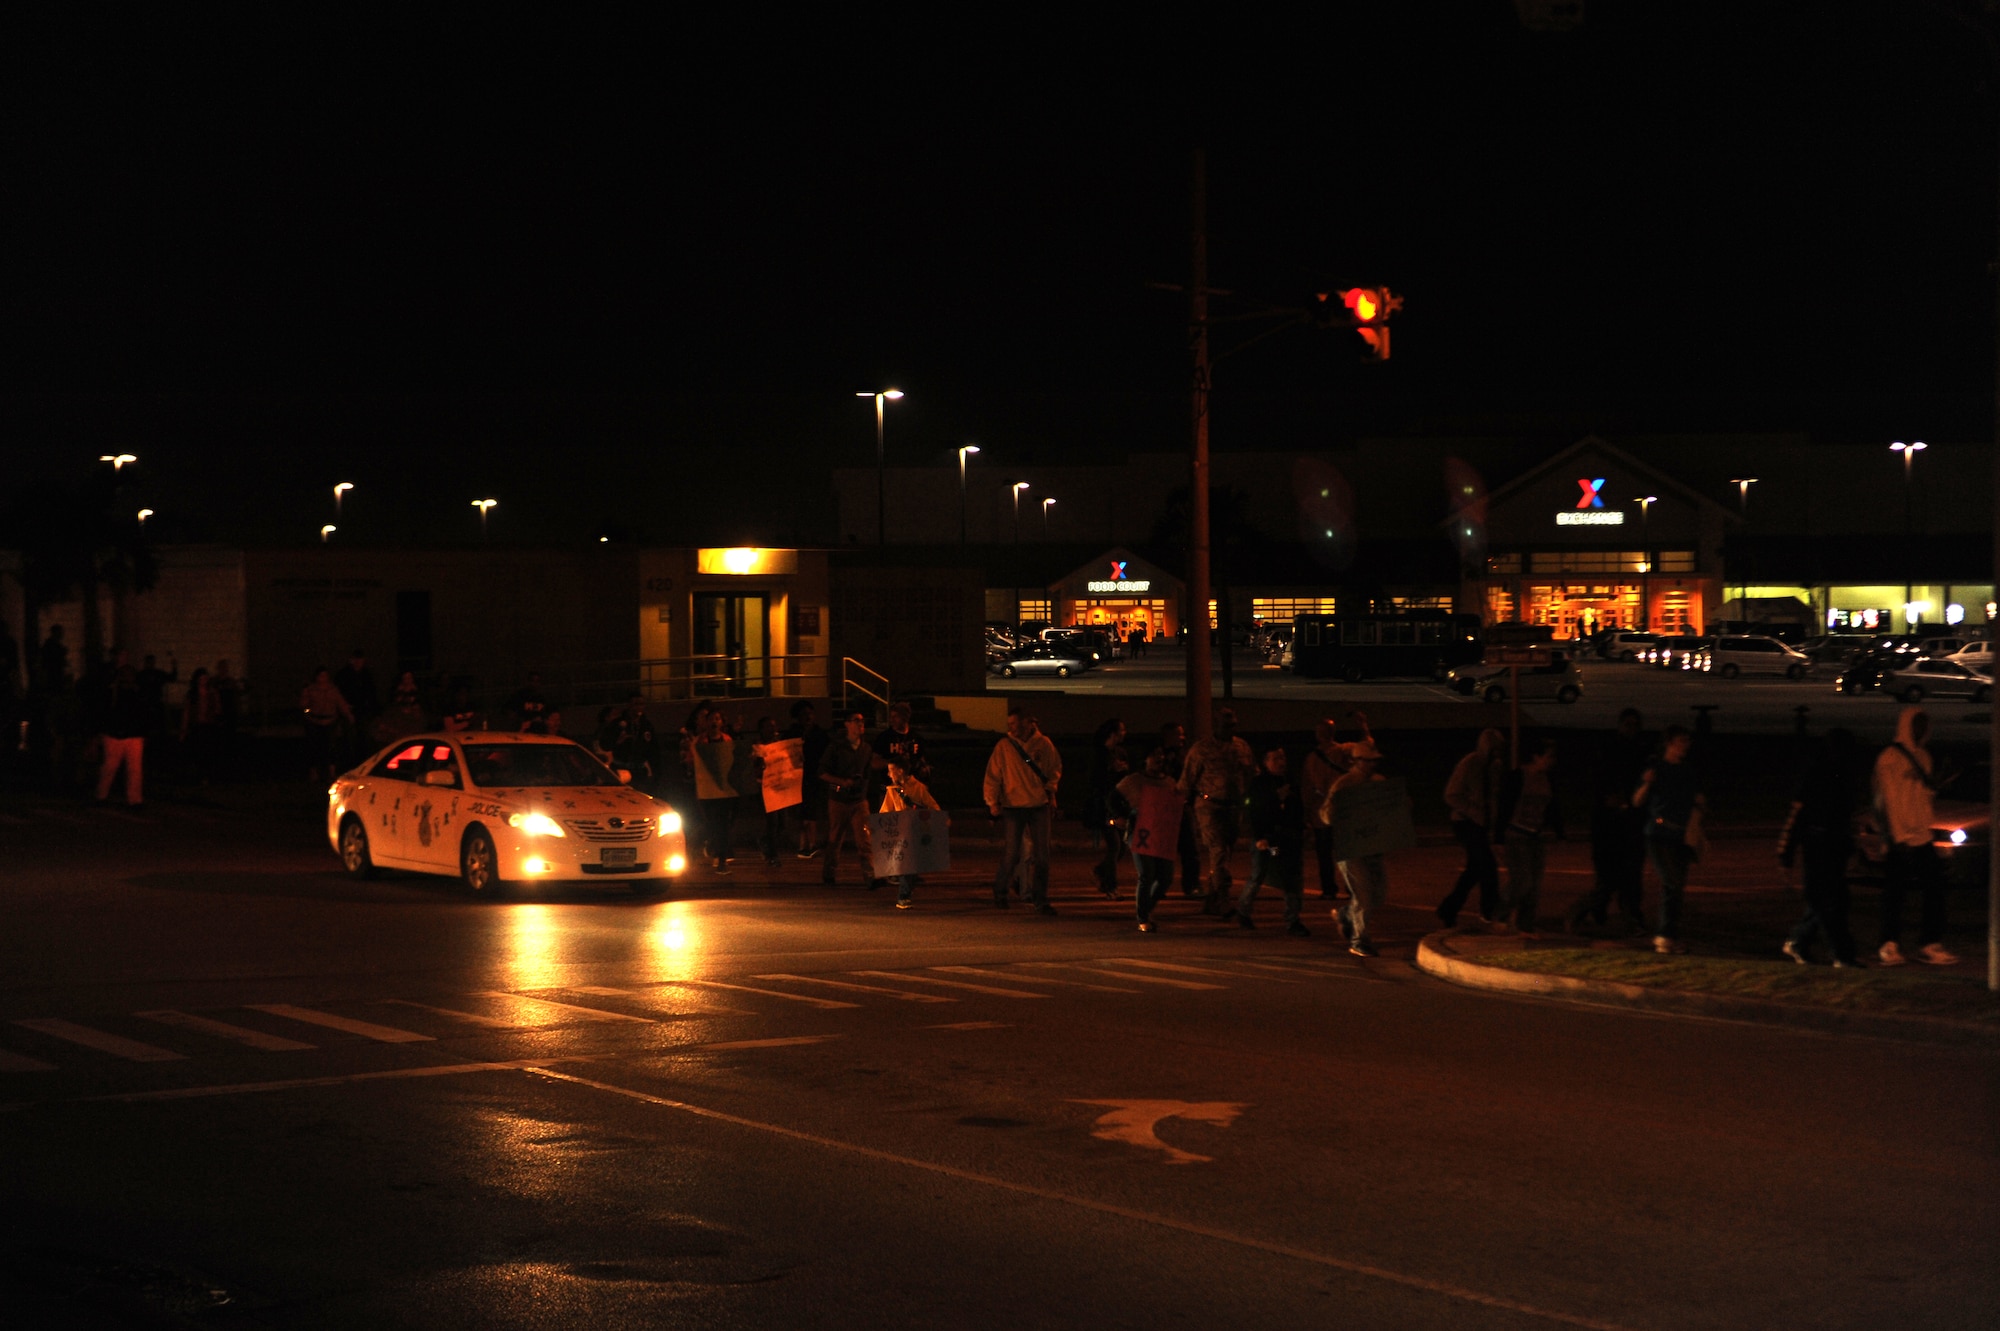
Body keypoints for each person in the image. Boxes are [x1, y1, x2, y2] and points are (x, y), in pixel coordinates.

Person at [1871, 706, 1958, 966]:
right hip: (1901, 839)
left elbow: (1922, 798)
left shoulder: (1924, 757)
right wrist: (1896, 837)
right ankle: (1889, 945)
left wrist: (1935, 789)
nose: (1922, 730)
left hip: (1922, 835)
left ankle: (1929, 944)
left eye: (1925, 724)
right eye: (1917, 724)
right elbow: (1888, 800)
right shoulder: (1890, 758)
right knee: (1894, 895)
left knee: (1934, 890)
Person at [1779, 728, 1863, 967]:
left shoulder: (1835, 774)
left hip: (1828, 846)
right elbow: (1798, 816)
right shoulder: (1822, 774)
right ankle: (1841, 954)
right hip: (1819, 846)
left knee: (1829, 901)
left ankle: (1800, 941)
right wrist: (1786, 853)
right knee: (1829, 902)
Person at [1567, 708, 1648, 935]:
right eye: (1628, 724)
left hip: (1631, 822)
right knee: (1607, 877)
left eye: (1635, 725)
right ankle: (1590, 911)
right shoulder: (1608, 751)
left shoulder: (1641, 751)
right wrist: (1609, 799)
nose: (1631, 729)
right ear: (1620, 725)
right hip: (1607, 824)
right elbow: (1598, 780)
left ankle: (1631, 916)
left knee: (1631, 876)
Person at [1633, 724, 1705, 954]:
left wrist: (1700, 806)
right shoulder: (1656, 768)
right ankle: (1664, 935)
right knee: (1671, 882)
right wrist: (1647, 783)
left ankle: (1670, 935)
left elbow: (1697, 798)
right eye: (1681, 741)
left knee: (1677, 887)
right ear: (1669, 743)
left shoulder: (1688, 770)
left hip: (1682, 834)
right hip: (1659, 834)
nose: (1685, 746)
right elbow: (1637, 801)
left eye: (1687, 741)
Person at [983, 707, 1062, 915]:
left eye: (1015, 724)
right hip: (1013, 806)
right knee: (1012, 853)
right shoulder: (1005, 746)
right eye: (1009, 725)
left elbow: (1054, 770)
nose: (1012, 729)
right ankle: (1000, 891)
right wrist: (992, 802)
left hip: (1038, 805)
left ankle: (1040, 898)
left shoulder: (1043, 744)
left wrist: (1051, 794)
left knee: (1043, 855)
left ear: (1027, 723)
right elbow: (993, 774)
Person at [1228, 744, 1310, 936]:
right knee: (1260, 873)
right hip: (1268, 841)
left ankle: (1293, 919)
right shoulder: (1260, 784)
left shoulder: (1290, 782)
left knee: (1292, 876)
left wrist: (1301, 828)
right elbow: (1255, 812)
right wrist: (1260, 837)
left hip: (1287, 839)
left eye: (1282, 758)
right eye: (1275, 758)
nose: (1281, 762)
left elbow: (1297, 809)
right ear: (1265, 763)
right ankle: (1243, 910)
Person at [1179, 706, 1254, 913]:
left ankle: (1211, 897)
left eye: (1233, 724)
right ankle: (1222, 898)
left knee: (1225, 853)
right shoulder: (1201, 749)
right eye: (1226, 724)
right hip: (1209, 806)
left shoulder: (1242, 747)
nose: (1231, 728)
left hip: (1233, 807)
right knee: (1218, 851)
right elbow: (1187, 780)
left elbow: (1249, 776)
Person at [1494, 738, 1564, 935]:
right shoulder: (1517, 777)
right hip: (1515, 834)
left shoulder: (1548, 779)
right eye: (1548, 756)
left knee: (1535, 883)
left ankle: (1525, 923)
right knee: (1521, 880)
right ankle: (1500, 914)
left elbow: (1552, 807)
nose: (1552, 761)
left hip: (1536, 836)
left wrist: (1559, 832)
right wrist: (1498, 839)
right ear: (1536, 756)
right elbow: (1504, 807)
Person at [1438, 728, 1506, 927]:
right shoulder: (1470, 764)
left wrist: (1492, 821)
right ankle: (1489, 911)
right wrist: (1472, 810)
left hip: (1482, 823)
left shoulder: (1495, 767)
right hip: (1465, 821)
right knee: (1487, 866)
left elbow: (1494, 795)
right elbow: (1451, 794)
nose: (1497, 754)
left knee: (1475, 868)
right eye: (1494, 750)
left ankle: (1448, 909)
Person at [1327, 738, 1389, 956]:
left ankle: (1345, 915)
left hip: (1372, 846)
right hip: (1351, 848)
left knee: (1377, 895)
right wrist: (1339, 808)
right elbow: (1326, 815)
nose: (1372, 765)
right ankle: (1358, 940)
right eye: (1368, 761)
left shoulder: (1379, 782)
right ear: (1356, 761)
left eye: (1374, 761)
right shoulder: (1344, 784)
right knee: (1363, 896)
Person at [1114, 750, 1181, 932]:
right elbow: (1113, 797)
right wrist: (1119, 816)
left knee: (1166, 877)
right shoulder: (1133, 781)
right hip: (1140, 831)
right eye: (1154, 755)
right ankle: (1142, 918)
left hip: (1162, 833)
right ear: (1146, 759)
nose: (1159, 759)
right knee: (1146, 873)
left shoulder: (1169, 782)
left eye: (1162, 756)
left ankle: (1147, 907)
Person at [1301, 715, 1366, 900]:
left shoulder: (1312, 758)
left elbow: (1307, 788)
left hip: (1322, 812)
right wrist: (1364, 728)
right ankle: (1350, 887)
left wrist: (1307, 813)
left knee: (1324, 854)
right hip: (1342, 811)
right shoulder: (1344, 751)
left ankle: (1329, 889)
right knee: (1346, 853)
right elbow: (1366, 749)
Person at [818, 709, 874, 887]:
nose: (860, 724)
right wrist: (842, 782)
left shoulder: (866, 748)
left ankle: (870, 875)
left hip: (859, 800)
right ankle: (829, 873)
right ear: (847, 724)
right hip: (838, 799)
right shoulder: (836, 747)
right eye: (856, 720)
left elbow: (867, 773)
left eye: (862, 720)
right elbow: (822, 773)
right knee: (835, 838)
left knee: (864, 839)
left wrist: (862, 789)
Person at [880, 758, 942, 909]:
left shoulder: (919, 788)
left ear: (900, 771)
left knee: (908, 865)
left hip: (915, 832)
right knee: (906, 864)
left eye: (891, 770)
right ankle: (904, 895)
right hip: (901, 834)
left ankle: (904, 894)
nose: (889, 774)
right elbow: (885, 811)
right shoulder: (892, 790)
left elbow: (934, 808)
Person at [1156, 721, 1203, 895]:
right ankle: (1159, 885)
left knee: (1190, 848)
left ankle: (1192, 885)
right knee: (1162, 850)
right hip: (1163, 808)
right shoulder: (1158, 755)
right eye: (1178, 734)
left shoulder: (1185, 755)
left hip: (1183, 807)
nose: (1182, 738)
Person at [690, 708, 738, 874]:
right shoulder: (699, 742)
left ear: (722, 722)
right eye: (712, 718)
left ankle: (722, 860)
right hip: (706, 791)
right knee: (711, 824)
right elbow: (692, 763)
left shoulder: (727, 740)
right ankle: (711, 846)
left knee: (724, 825)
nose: (715, 721)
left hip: (724, 791)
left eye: (718, 718)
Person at [1086, 718, 1130, 897]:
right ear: (1113, 734)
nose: (1124, 733)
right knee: (1114, 845)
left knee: (1121, 847)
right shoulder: (1099, 755)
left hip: (1120, 804)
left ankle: (1101, 871)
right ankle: (1110, 886)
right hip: (1104, 806)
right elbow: (1097, 783)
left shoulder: (1121, 753)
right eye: (1122, 730)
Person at [95, 661, 147, 808]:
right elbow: (105, 712)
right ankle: (101, 795)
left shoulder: (137, 692)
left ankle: (135, 799)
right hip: (115, 734)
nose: (128, 678)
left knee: (134, 769)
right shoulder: (113, 691)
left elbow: (143, 713)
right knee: (110, 767)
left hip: (132, 734)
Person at [786, 701, 830, 859]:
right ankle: (802, 843)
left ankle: (811, 844)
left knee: (811, 811)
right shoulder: (792, 733)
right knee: (800, 812)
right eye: (804, 714)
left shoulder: (820, 734)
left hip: (813, 776)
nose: (808, 717)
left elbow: (826, 754)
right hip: (796, 777)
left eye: (810, 713)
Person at [300, 667, 352, 783]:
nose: (323, 678)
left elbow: (340, 703)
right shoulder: (311, 690)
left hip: (330, 721)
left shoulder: (333, 690)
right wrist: (305, 701)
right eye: (321, 676)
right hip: (314, 721)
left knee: (331, 747)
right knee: (314, 747)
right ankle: (314, 772)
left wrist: (348, 715)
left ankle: (331, 772)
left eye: (325, 676)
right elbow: (303, 704)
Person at [180, 666, 222, 783]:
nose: (204, 681)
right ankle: (199, 775)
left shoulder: (212, 692)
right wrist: (183, 729)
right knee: (198, 751)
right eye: (201, 678)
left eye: (205, 678)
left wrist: (217, 715)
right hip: (197, 726)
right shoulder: (192, 694)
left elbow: (218, 708)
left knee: (209, 751)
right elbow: (187, 712)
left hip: (209, 725)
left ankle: (208, 775)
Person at [135, 652, 177, 743]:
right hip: (145, 703)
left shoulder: (157, 674)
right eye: (149, 662)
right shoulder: (141, 675)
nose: (150, 664)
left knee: (159, 726)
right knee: (147, 725)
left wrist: (174, 666)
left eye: (151, 662)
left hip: (155, 702)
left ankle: (159, 742)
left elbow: (172, 677)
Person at [38, 624, 70, 693]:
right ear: (55, 632)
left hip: (57, 671)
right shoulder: (50, 645)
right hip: (52, 672)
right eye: (60, 632)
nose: (62, 634)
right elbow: (49, 659)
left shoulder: (55, 644)